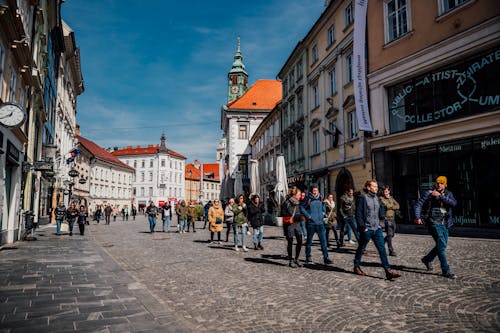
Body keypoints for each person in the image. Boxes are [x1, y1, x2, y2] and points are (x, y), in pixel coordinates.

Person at [353, 179, 401, 280]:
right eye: (374, 186)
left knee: (382, 250)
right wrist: (363, 228)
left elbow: (381, 212)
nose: (376, 188)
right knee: (361, 248)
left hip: (377, 229)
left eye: (376, 186)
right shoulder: (363, 198)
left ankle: (388, 271)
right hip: (367, 229)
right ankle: (356, 266)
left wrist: (380, 224)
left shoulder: (378, 199)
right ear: (368, 187)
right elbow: (358, 215)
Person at [415, 176, 457, 279]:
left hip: (445, 224)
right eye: (438, 183)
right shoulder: (428, 194)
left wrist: (440, 196)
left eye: (442, 183)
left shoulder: (448, 194)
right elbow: (418, 204)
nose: (439, 185)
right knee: (441, 246)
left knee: (442, 245)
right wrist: (417, 217)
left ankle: (427, 259)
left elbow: (453, 204)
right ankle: (445, 270)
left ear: (445, 185)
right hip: (433, 223)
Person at [301, 184, 332, 265]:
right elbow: (301, 207)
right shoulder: (308, 198)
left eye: (316, 190)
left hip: (320, 223)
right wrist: (308, 216)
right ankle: (308, 257)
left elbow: (323, 207)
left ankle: (326, 258)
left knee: (323, 242)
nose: (315, 192)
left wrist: (323, 213)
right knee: (309, 242)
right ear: (311, 191)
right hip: (311, 223)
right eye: (314, 190)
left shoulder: (320, 198)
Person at [282, 187, 305, 268]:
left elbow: (299, 212)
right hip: (289, 225)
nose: (300, 196)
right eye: (299, 194)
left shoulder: (298, 203)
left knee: (300, 241)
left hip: (297, 224)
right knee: (290, 242)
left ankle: (297, 259)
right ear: (294, 195)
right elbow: (283, 213)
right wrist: (296, 217)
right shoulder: (286, 203)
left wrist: (302, 217)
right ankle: (290, 260)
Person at [380, 185, 400, 256]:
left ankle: (381, 243)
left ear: (389, 191)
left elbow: (398, 205)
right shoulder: (381, 199)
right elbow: (385, 205)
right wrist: (392, 206)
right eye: (384, 191)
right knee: (389, 234)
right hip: (386, 219)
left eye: (387, 191)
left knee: (392, 234)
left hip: (393, 219)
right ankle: (391, 250)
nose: (385, 192)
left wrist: (391, 206)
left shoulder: (391, 198)